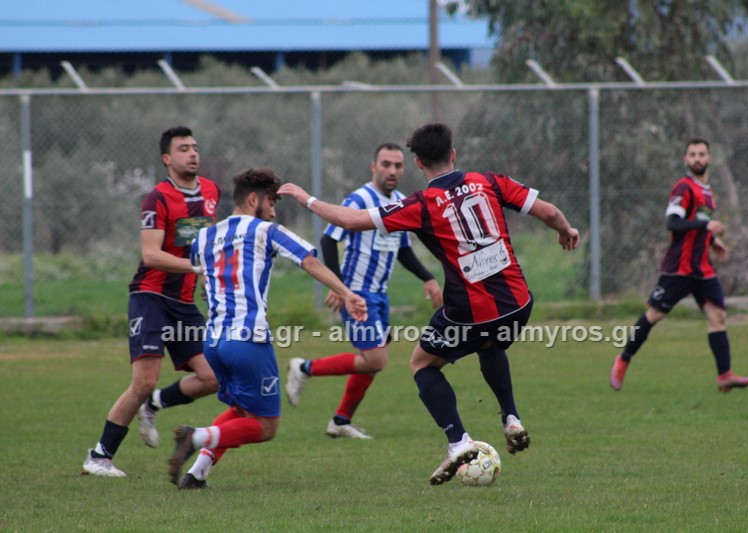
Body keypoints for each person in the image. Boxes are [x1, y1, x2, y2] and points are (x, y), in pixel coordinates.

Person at [278, 123, 580, 485]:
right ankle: (511, 418)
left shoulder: (420, 204)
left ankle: (459, 442)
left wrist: (306, 199)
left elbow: (350, 221)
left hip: (469, 313)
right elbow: (549, 212)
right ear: (453, 154)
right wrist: (565, 230)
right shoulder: (490, 181)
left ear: (418, 163)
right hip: (518, 303)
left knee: (421, 363)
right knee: (491, 343)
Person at [167, 167, 367, 489]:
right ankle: (197, 437)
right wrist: (347, 293)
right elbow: (310, 261)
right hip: (248, 341)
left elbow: (205, 284)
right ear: (252, 199)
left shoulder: (203, 237)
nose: (273, 212)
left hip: (213, 342)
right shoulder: (266, 230)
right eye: (271, 203)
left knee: (241, 409)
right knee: (266, 426)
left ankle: (197, 473)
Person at [82, 126, 220, 477]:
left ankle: (154, 404)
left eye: (194, 147)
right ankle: (99, 456)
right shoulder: (157, 199)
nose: (192, 153)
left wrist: (206, 278)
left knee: (214, 376)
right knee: (143, 380)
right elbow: (151, 254)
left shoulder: (211, 191)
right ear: (167, 158)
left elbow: (202, 244)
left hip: (184, 302)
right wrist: (198, 267)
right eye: (183, 148)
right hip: (151, 298)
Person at [285, 143, 442, 439]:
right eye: (386, 164)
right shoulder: (359, 200)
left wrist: (429, 278)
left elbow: (403, 250)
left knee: (371, 362)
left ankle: (341, 420)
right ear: (374, 166)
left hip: (380, 295)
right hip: (357, 293)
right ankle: (303, 368)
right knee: (375, 359)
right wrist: (339, 287)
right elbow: (328, 239)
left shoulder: (400, 202)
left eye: (398, 165)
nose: (392, 170)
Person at [609, 139, 748, 393]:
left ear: (709, 158)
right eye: (693, 154)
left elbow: (696, 224)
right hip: (679, 267)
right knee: (655, 315)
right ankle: (623, 360)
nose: (697, 158)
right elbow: (674, 223)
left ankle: (725, 376)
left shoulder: (707, 193)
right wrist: (706, 226)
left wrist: (713, 241)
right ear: (686, 160)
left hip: (702, 268)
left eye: (701, 154)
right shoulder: (684, 188)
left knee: (718, 317)